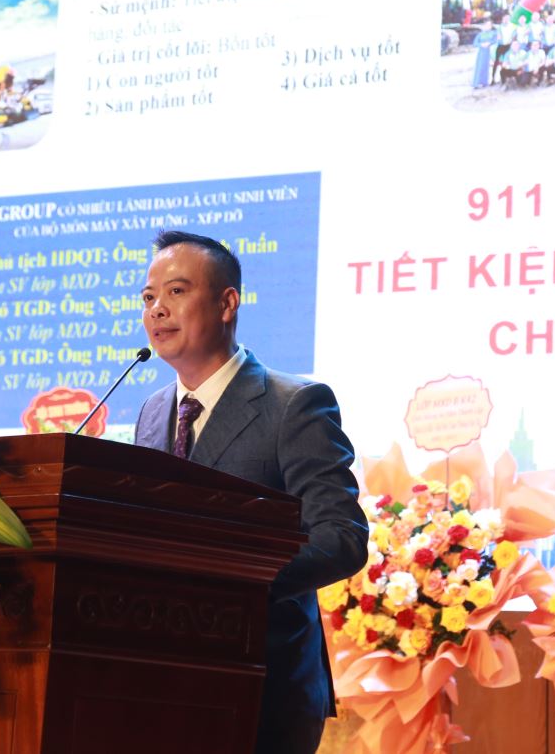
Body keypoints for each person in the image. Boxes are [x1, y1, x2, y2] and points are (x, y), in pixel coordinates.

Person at [134, 231, 368, 754]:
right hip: (157, 684)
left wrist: (228, 585)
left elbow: (341, 537)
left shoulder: (294, 404)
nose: (157, 310)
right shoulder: (152, 411)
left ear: (227, 303)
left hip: (264, 686)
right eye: (148, 297)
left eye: (176, 292)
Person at [471, 17, 499, 89]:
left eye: (489, 25)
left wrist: (489, 43)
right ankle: (476, 83)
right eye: (487, 25)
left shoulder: (494, 33)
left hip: (490, 51)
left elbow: (496, 40)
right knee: (480, 66)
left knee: (487, 67)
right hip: (482, 52)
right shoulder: (480, 34)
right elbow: (475, 43)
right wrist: (481, 45)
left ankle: (484, 82)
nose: (488, 26)